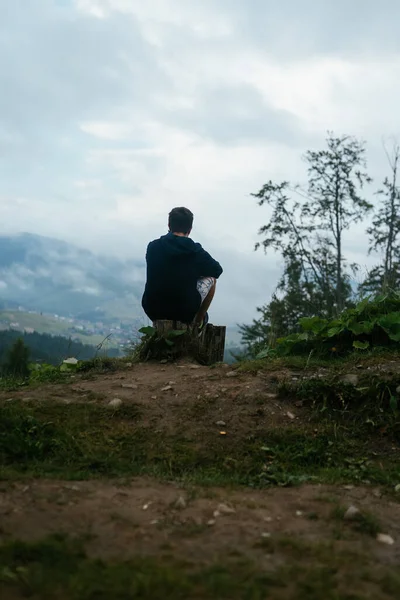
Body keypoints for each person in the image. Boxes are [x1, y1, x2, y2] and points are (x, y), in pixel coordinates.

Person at [142, 207, 223, 327]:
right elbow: (217, 270)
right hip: (184, 312)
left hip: (153, 310)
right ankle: (197, 323)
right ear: (190, 229)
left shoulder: (153, 247)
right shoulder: (195, 250)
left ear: (169, 225)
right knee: (212, 280)